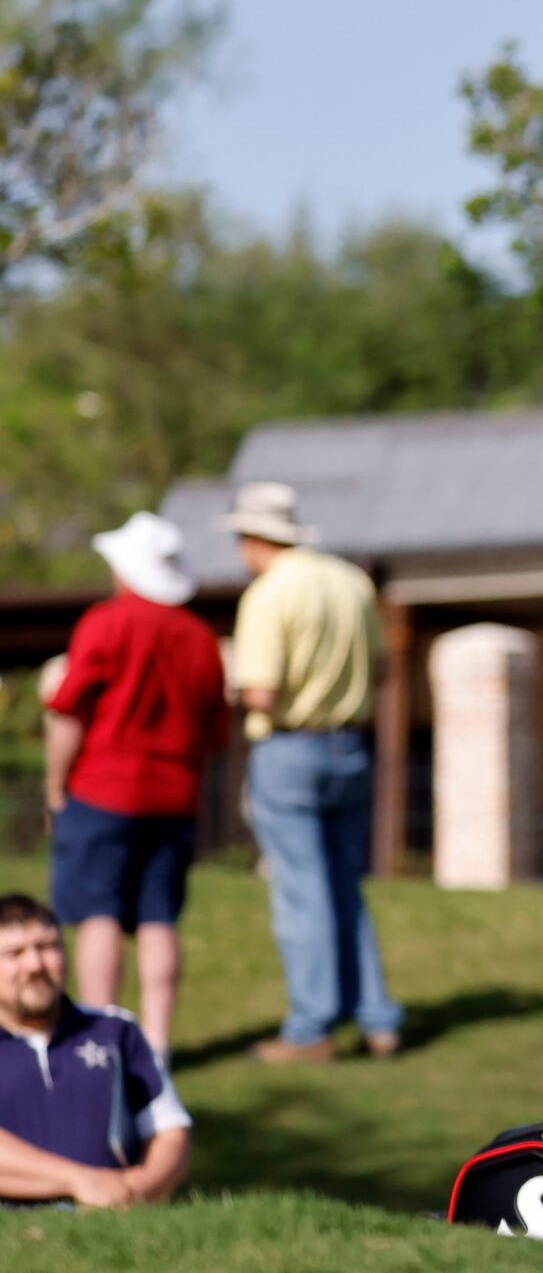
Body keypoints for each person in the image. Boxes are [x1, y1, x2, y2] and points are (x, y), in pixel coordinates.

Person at [219, 481, 402, 1064]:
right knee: (347, 887)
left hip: (291, 749)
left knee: (302, 894)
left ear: (253, 540)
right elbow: (381, 667)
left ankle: (311, 1028)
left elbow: (261, 692)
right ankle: (377, 1020)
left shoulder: (270, 594)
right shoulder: (351, 582)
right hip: (350, 746)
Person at [42, 513, 230, 1059]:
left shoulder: (107, 621)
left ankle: (103, 1038)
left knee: (96, 913)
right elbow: (216, 733)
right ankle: (158, 1042)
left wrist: (57, 784)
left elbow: (70, 711)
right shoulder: (200, 638)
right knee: (157, 918)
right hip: (174, 797)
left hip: (103, 790)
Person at [0, 894, 192, 1208]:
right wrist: (81, 1181)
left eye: (47, 947)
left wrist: (136, 1190)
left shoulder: (115, 1030)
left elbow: (170, 1133)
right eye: (14, 953)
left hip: (112, 1223)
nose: (35, 965)